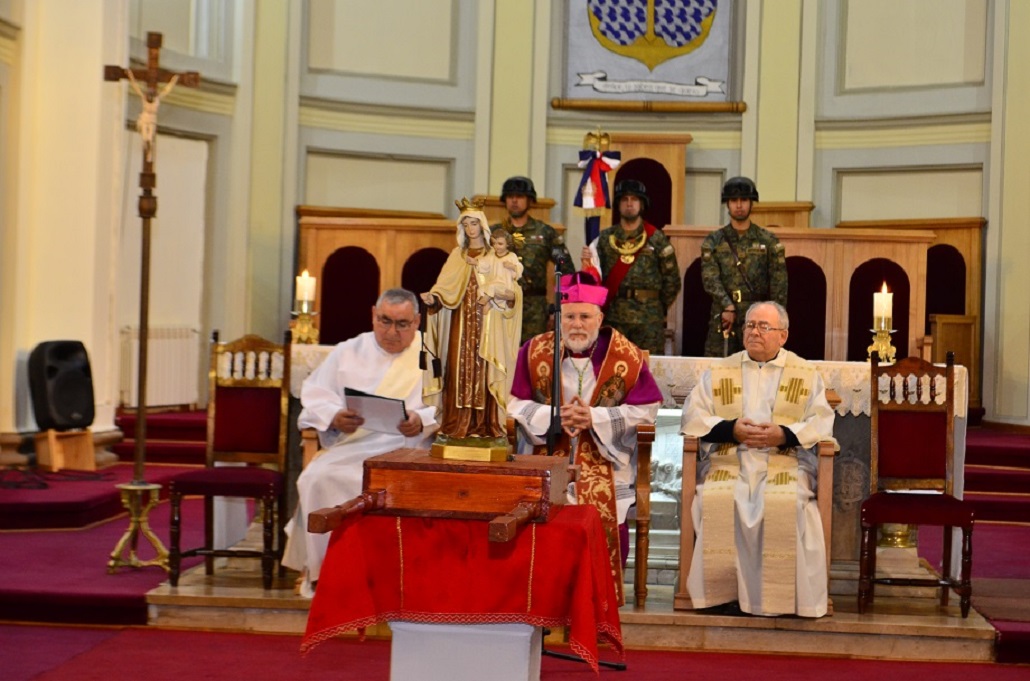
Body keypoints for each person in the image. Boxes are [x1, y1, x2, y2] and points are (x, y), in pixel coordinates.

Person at [507, 271, 662, 605]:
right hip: (548, 451)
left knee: (607, 513)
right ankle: (542, 599)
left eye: (585, 316)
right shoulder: (534, 351)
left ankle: (596, 604)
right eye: (570, 317)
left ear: (600, 318)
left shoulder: (626, 356)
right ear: (558, 318)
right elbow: (513, 402)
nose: (577, 325)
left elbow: (647, 409)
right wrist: (555, 417)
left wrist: (594, 417)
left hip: (604, 457)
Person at [679, 301, 835, 617]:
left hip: (785, 460)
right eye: (750, 325)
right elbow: (692, 415)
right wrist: (730, 430)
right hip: (731, 459)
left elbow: (821, 422)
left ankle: (783, 600)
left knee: (785, 503)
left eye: (764, 327)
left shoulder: (805, 374)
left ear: (783, 336)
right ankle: (722, 595)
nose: (754, 332)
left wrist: (784, 435)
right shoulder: (721, 370)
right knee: (721, 497)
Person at [282, 288, 439, 597]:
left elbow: (448, 406)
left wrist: (421, 420)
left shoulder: (431, 355)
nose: (392, 332)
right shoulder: (348, 350)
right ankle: (324, 573)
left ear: (417, 321)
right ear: (372, 315)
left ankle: (394, 580)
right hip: (352, 446)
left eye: (402, 324)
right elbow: (316, 397)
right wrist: (335, 416)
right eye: (384, 321)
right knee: (316, 477)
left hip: (407, 450)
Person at [422, 199, 522, 444]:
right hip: (459, 324)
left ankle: (486, 427)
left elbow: (514, 291)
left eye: (474, 223)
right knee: (456, 370)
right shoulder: (457, 255)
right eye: (465, 224)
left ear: (483, 225)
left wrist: (507, 297)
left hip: (488, 323)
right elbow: (445, 288)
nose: (470, 228)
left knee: (485, 369)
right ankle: (455, 425)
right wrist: (433, 298)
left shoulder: (496, 255)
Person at [581, 179, 681, 355]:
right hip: (614, 318)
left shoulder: (656, 239)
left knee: (647, 369)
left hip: (648, 320)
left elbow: (672, 280)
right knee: (612, 367)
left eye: (634, 199)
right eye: (624, 199)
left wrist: (655, 306)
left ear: (641, 204)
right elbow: (595, 278)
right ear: (618, 204)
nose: (629, 204)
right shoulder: (604, 239)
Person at [701, 176, 788, 357]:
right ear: (727, 204)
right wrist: (727, 306)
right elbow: (710, 278)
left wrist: (773, 319)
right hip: (724, 316)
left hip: (759, 317)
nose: (739, 205)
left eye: (744, 200)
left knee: (760, 367)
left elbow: (779, 284)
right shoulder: (714, 240)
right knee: (720, 370)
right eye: (734, 200)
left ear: (751, 203)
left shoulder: (768, 240)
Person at [491, 176, 574, 345]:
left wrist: (557, 308)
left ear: (530, 201)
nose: (514, 201)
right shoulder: (492, 233)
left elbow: (566, 270)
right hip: (500, 304)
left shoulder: (545, 233)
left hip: (534, 309)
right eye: (510, 196)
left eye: (520, 196)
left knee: (532, 357)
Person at [477, 228, 523, 311]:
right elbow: (484, 264)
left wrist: (512, 266)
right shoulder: (492, 256)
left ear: (507, 244)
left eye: (500, 244)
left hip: (505, 286)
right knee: (482, 288)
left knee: (492, 287)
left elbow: (519, 268)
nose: (496, 246)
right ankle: (489, 304)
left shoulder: (511, 256)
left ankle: (486, 300)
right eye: (494, 243)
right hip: (494, 282)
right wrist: (475, 262)